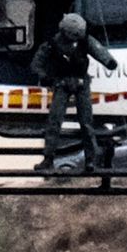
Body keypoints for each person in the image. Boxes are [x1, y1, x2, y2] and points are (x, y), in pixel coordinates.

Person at [32, 13, 117, 171]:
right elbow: (37, 62)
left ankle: (91, 160)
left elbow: (98, 50)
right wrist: (45, 77)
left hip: (81, 84)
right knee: (54, 122)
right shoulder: (53, 44)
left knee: (86, 123)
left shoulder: (85, 41)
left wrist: (109, 62)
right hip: (62, 84)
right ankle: (48, 158)